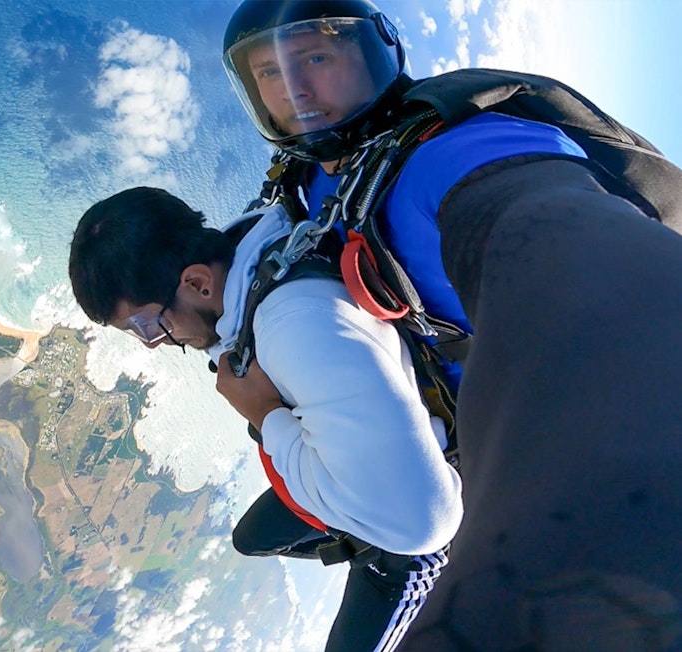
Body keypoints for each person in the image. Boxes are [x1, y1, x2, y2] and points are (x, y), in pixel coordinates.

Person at [222, 1, 682, 649]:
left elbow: (582, 255)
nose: (294, 88)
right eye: (268, 73)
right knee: (250, 542)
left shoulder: (461, 152)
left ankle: (387, 552)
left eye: (315, 57)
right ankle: (358, 530)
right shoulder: (311, 178)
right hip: (360, 441)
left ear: (376, 55)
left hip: (445, 494)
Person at [69, 187, 463, 651]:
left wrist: (266, 414)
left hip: (406, 521)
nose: (155, 342)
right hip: (341, 461)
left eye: (148, 326)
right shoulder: (248, 265)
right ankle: (353, 522)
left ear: (197, 283)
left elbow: (424, 524)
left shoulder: (294, 328)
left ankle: (371, 546)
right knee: (250, 540)